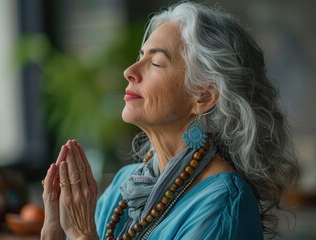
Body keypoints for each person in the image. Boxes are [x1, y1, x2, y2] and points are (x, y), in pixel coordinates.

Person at [40, 1, 299, 239]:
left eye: (156, 62)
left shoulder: (222, 203)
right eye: (140, 56)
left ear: (204, 96)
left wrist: (81, 234)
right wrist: (54, 230)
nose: (129, 72)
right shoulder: (124, 182)